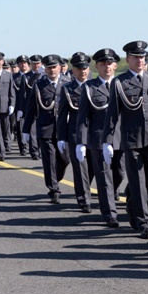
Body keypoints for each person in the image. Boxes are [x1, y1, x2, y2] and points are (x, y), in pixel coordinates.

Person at [102, 41, 148, 239]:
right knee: (137, 182)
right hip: (132, 140)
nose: (140, 60)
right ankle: (145, 222)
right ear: (128, 59)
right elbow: (112, 114)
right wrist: (107, 141)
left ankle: (132, 203)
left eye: (142, 56)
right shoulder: (120, 83)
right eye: (135, 57)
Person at [76, 48, 124, 228]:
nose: (107, 67)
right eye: (102, 64)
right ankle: (110, 213)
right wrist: (81, 142)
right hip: (98, 139)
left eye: (109, 64)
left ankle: (114, 195)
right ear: (96, 66)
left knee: (120, 172)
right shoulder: (89, 87)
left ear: (115, 65)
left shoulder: (122, 84)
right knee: (104, 177)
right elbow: (83, 116)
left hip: (121, 137)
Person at [22, 55, 70, 203]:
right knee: (49, 160)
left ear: (59, 67)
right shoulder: (39, 85)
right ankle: (54, 189)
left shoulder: (68, 83)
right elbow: (31, 108)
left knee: (65, 159)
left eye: (54, 67)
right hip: (45, 128)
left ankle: (55, 177)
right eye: (48, 67)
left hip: (64, 128)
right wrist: (25, 130)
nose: (51, 70)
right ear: (45, 69)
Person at [57, 52, 94, 213]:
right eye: (79, 68)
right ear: (74, 70)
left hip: (94, 134)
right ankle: (84, 199)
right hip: (75, 134)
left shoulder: (95, 86)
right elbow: (62, 115)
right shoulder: (67, 89)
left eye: (85, 68)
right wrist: (61, 137)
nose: (83, 71)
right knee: (80, 169)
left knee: (94, 168)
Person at [21, 55, 46, 160]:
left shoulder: (46, 75)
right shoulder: (26, 76)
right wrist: (20, 109)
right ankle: (34, 151)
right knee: (32, 130)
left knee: (42, 129)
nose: (36, 65)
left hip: (43, 106)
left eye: (38, 63)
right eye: (34, 63)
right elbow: (28, 87)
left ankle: (41, 149)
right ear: (31, 64)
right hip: (31, 106)